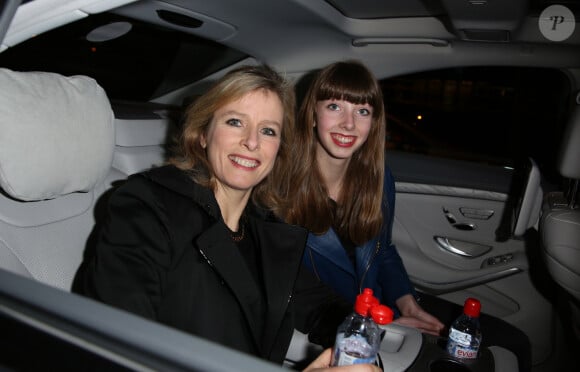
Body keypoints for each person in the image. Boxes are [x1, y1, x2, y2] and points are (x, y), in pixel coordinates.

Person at [79, 64, 377, 371]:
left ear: (279, 150)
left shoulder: (266, 228)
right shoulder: (148, 207)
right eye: (235, 122)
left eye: (268, 130)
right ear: (203, 135)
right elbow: (118, 350)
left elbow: (321, 305)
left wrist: (361, 344)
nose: (252, 142)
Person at [281, 60, 531, 371]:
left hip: (381, 311)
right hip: (334, 324)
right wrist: (370, 324)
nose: (348, 124)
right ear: (312, 115)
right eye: (334, 106)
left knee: (511, 343)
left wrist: (407, 302)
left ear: (374, 122)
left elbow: (382, 252)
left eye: (362, 112)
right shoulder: (281, 192)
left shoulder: (378, 179)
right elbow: (290, 288)